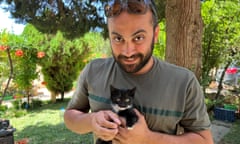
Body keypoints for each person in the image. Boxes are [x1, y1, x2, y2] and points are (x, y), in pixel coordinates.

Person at [64, 0, 214, 144]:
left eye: (138, 38)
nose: (128, 51)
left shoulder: (184, 82)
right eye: (118, 38)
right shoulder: (93, 71)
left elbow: (204, 140)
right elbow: (70, 117)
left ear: (155, 35)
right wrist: (92, 121)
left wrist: (148, 139)